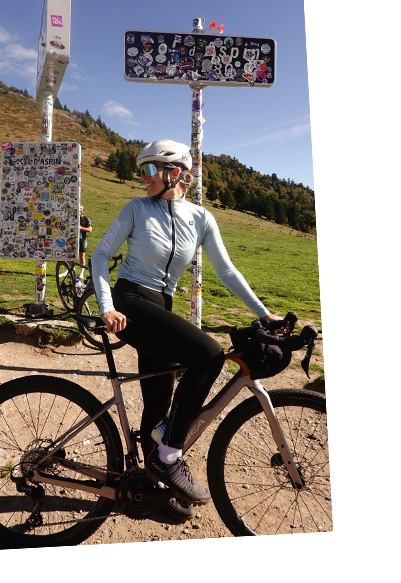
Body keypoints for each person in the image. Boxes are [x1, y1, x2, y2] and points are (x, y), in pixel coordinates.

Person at [91, 139, 277, 521]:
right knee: (208, 355)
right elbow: (100, 255)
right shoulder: (137, 209)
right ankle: (169, 457)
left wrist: (264, 313)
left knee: (159, 400)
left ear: (173, 172)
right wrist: (107, 306)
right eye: (141, 171)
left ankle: (152, 490)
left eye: (148, 170)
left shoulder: (201, 218)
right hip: (131, 301)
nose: (142, 179)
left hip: (163, 306)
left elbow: (226, 271)